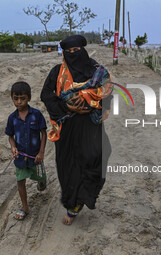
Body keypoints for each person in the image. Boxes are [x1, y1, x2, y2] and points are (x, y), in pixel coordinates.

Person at [41, 35, 112, 225]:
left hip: (90, 125)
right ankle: (73, 205)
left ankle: (85, 196)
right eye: (69, 52)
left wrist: (88, 97)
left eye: (76, 51)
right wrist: (68, 107)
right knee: (69, 167)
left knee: (95, 158)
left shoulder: (97, 71)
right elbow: (46, 95)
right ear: (64, 54)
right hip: (67, 127)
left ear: (84, 50)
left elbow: (108, 92)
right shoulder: (57, 72)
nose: (73, 55)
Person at [5, 81, 47, 221]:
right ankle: (25, 207)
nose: (19, 102)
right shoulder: (12, 118)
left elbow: (44, 133)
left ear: (29, 98)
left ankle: (41, 182)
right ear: (12, 98)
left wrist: (41, 152)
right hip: (20, 157)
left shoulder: (36, 114)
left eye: (22, 98)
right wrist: (13, 147)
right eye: (15, 99)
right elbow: (10, 136)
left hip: (35, 157)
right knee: (20, 181)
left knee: (40, 179)